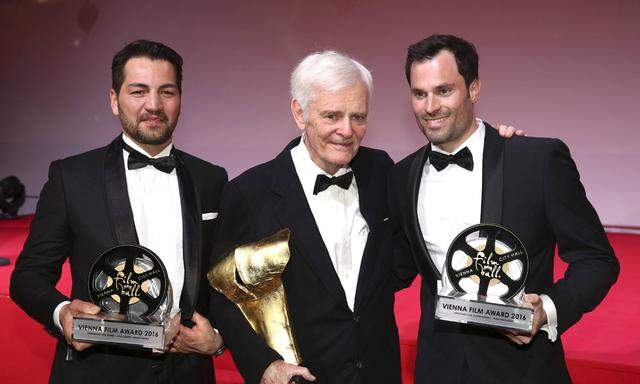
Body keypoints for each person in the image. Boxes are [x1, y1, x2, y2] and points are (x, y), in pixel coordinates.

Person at [387, 34, 620, 383]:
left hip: (522, 369)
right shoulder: (402, 175)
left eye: (444, 90)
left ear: (474, 89)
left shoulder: (535, 161)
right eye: (420, 94)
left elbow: (597, 260)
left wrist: (547, 312)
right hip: (438, 370)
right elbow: (396, 267)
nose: (430, 106)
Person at [10, 39, 227, 383]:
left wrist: (217, 338)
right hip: (98, 371)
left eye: (166, 92)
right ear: (114, 100)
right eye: (138, 92)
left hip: (187, 373)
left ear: (181, 100)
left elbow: (224, 283)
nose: (153, 105)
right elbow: (27, 276)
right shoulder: (72, 177)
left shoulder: (211, 179)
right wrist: (62, 312)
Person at [209, 51, 402, 384]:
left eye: (358, 116)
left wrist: (500, 144)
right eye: (332, 116)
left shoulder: (381, 171)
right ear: (299, 113)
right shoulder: (250, 194)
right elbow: (224, 293)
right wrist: (264, 365)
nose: (347, 130)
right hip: (301, 378)